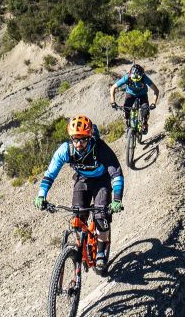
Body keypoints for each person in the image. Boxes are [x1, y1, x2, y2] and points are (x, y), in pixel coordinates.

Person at [34, 115, 123, 273]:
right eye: (75, 139)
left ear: (89, 137)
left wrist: (117, 199)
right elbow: (50, 174)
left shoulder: (100, 148)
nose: (79, 144)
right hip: (82, 180)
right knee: (77, 218)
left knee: (101, 217)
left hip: (101, 181)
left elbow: (116, 174)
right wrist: (41, 195)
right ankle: (79, 247)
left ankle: (101, 253)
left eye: (82, 139)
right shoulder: (65, 150)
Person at [109, 63, 159, 135]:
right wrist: (112, 101)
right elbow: (113, 88)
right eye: (133, 77)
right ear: (130, 74)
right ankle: (127, 121)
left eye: (138, 78)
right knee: (126, 108)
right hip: (130, 94)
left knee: (145, 109)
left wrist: (154, 102)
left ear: (141, 75)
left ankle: (145, 123)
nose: (135, 80)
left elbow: (156, 90)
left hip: (142, 94)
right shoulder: (127, 77)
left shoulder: (145, 78)